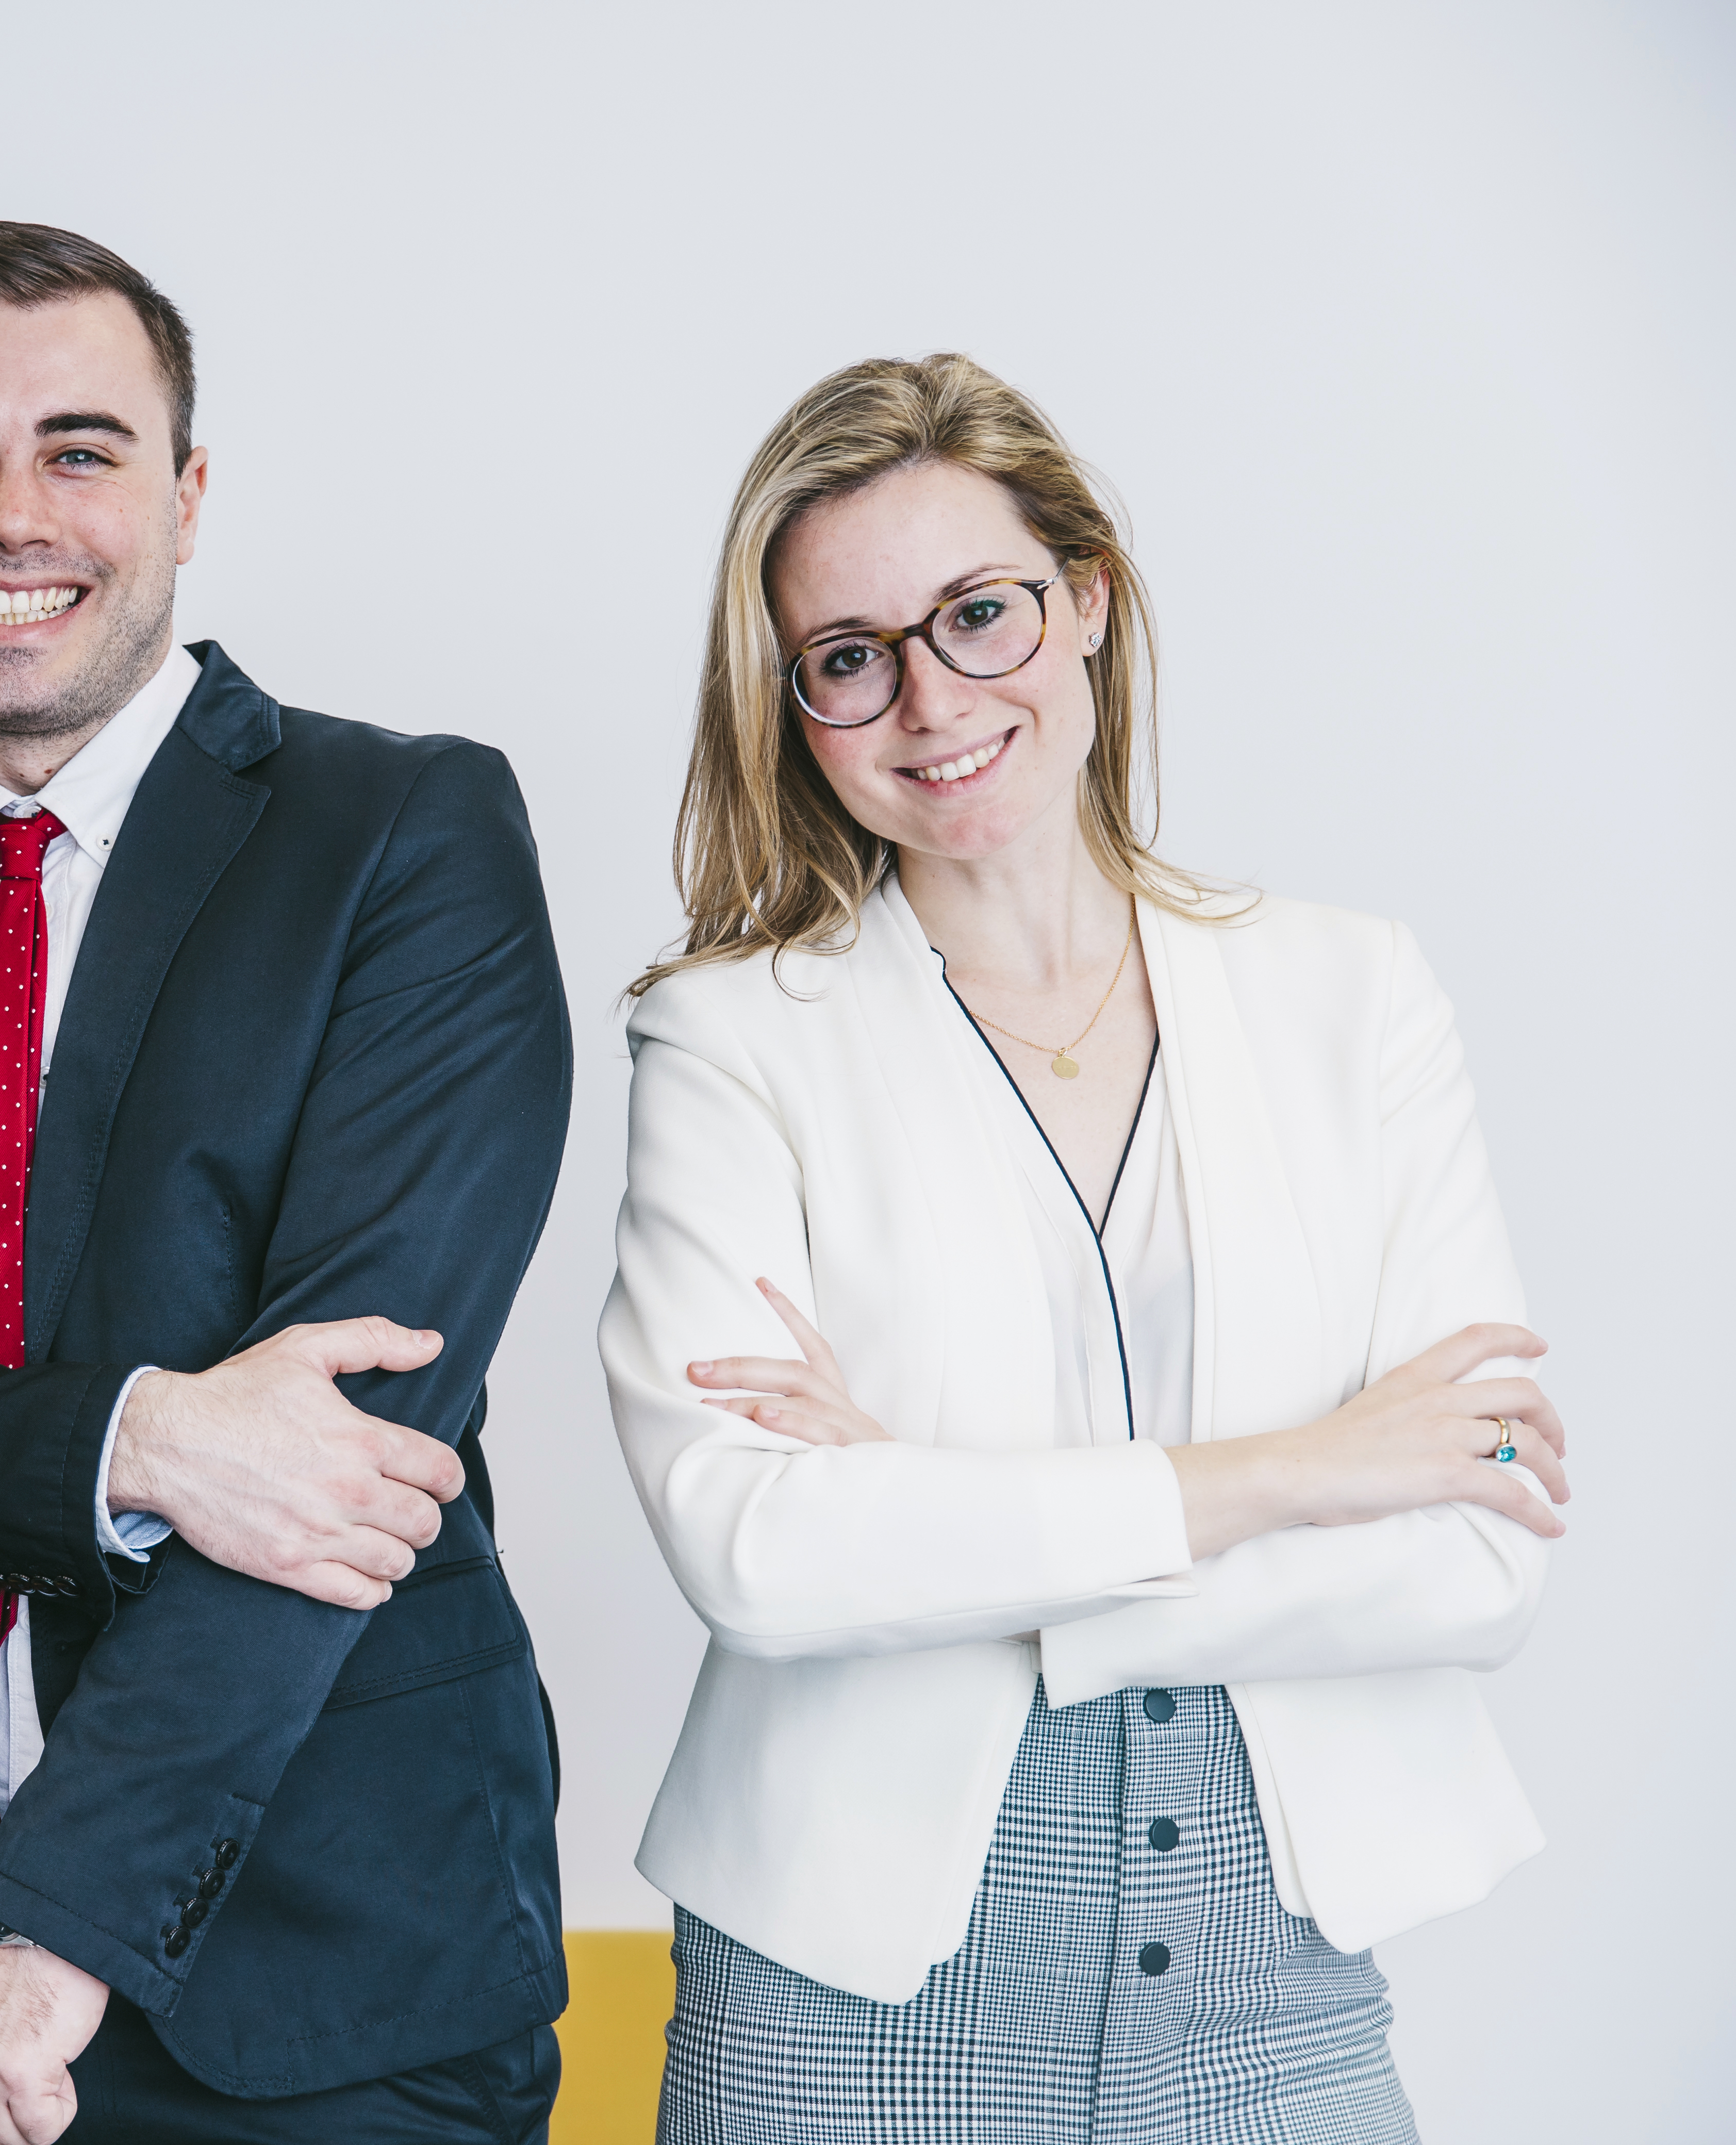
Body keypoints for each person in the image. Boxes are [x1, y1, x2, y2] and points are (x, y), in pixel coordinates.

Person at [598, 354, 1568, 2142]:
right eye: (849, 656)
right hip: (847, 2016)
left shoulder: (1352, 994)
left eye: (981, 614)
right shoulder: (737, 1040)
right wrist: (1301, 1473)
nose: (931, 699)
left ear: (1091, 601)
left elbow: (1480, 1544)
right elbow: (760, 1554)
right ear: (794, 702)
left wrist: (934, 1518)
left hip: (1276, 1999)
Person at [0, 222, 572, 2145]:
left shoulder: (403, 836)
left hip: (323, 1984)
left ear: (184, 496)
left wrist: (60, 1926)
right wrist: (143, 1442)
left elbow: (356, 1455)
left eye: (80, 449)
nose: (13, 513)